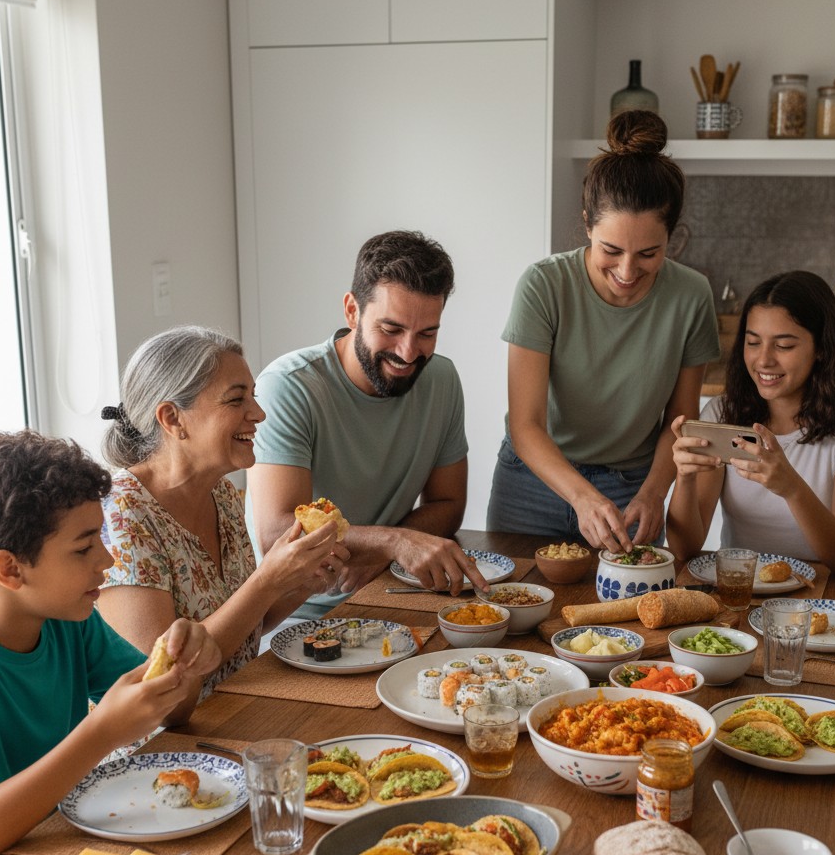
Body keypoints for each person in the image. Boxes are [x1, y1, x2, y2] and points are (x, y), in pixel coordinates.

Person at [486, 110, 720, 552]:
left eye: (649, 253)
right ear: (587, 225)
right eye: (610, 250)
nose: (628, 271)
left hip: (629, 488)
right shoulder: (544, 285)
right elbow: (526, 423)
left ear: (673, 237)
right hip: (531, 483)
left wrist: (654, 492)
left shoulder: (692, 295)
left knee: (630, 618)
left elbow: (680, 419)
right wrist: (581, 498)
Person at [0, 430, 221, 855]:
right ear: (10, 570)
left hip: (61, 845)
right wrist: (101, 735)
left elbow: (174, 710)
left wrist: (186, 665)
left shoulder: (69, 621)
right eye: (83, 547)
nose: (108, 560)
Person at [247, 230, 486, 615]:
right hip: (294, 613)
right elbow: (277, 534)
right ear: (352, 311)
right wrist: (394, 544)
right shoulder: (288, 387)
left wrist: (386, 552)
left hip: (395, 592)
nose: (409, 353)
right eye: (391, 330)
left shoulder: (442, 380)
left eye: (427, 333)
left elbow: (449, 502)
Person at [97, 327, 346, 697]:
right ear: (172, 418)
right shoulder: (122, 516)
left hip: (235, 707)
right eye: (236, 400)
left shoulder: (224, 494)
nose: (259, 413)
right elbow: (161, 685)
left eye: (254, 397)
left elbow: (248, 624)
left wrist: (301, 581)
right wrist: (269, 580)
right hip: (164, 747)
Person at [667, 270, 835, 574]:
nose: (763, 360)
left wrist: (791, 489)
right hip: (736, 592)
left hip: (819, 597)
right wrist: (684, 477)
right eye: (753, 342)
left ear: (821, 349)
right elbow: (685, 550)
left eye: (784, 345)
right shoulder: (723, 413)